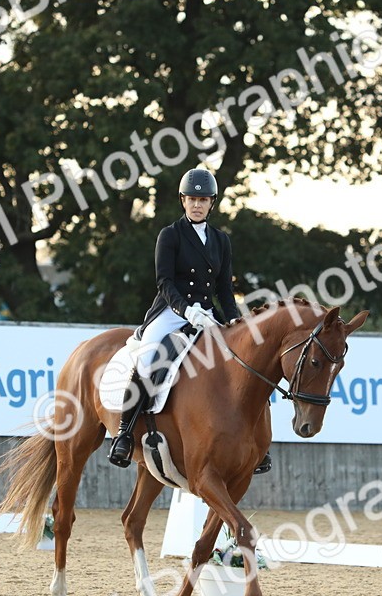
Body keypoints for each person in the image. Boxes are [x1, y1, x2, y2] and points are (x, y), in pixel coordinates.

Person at [107, 167, 271, 475]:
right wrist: (187, 310)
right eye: (192, 199)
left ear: (212, 203)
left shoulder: (221, 241)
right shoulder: (170, 235)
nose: (197, 205)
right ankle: (125, 434)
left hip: (208, 314)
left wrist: (237, 324)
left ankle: (258, 445)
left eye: (203, 200)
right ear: (183, 201)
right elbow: (164, 282)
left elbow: (223, 288)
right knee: (150, 356)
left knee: (249, 360)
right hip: (171, 312)